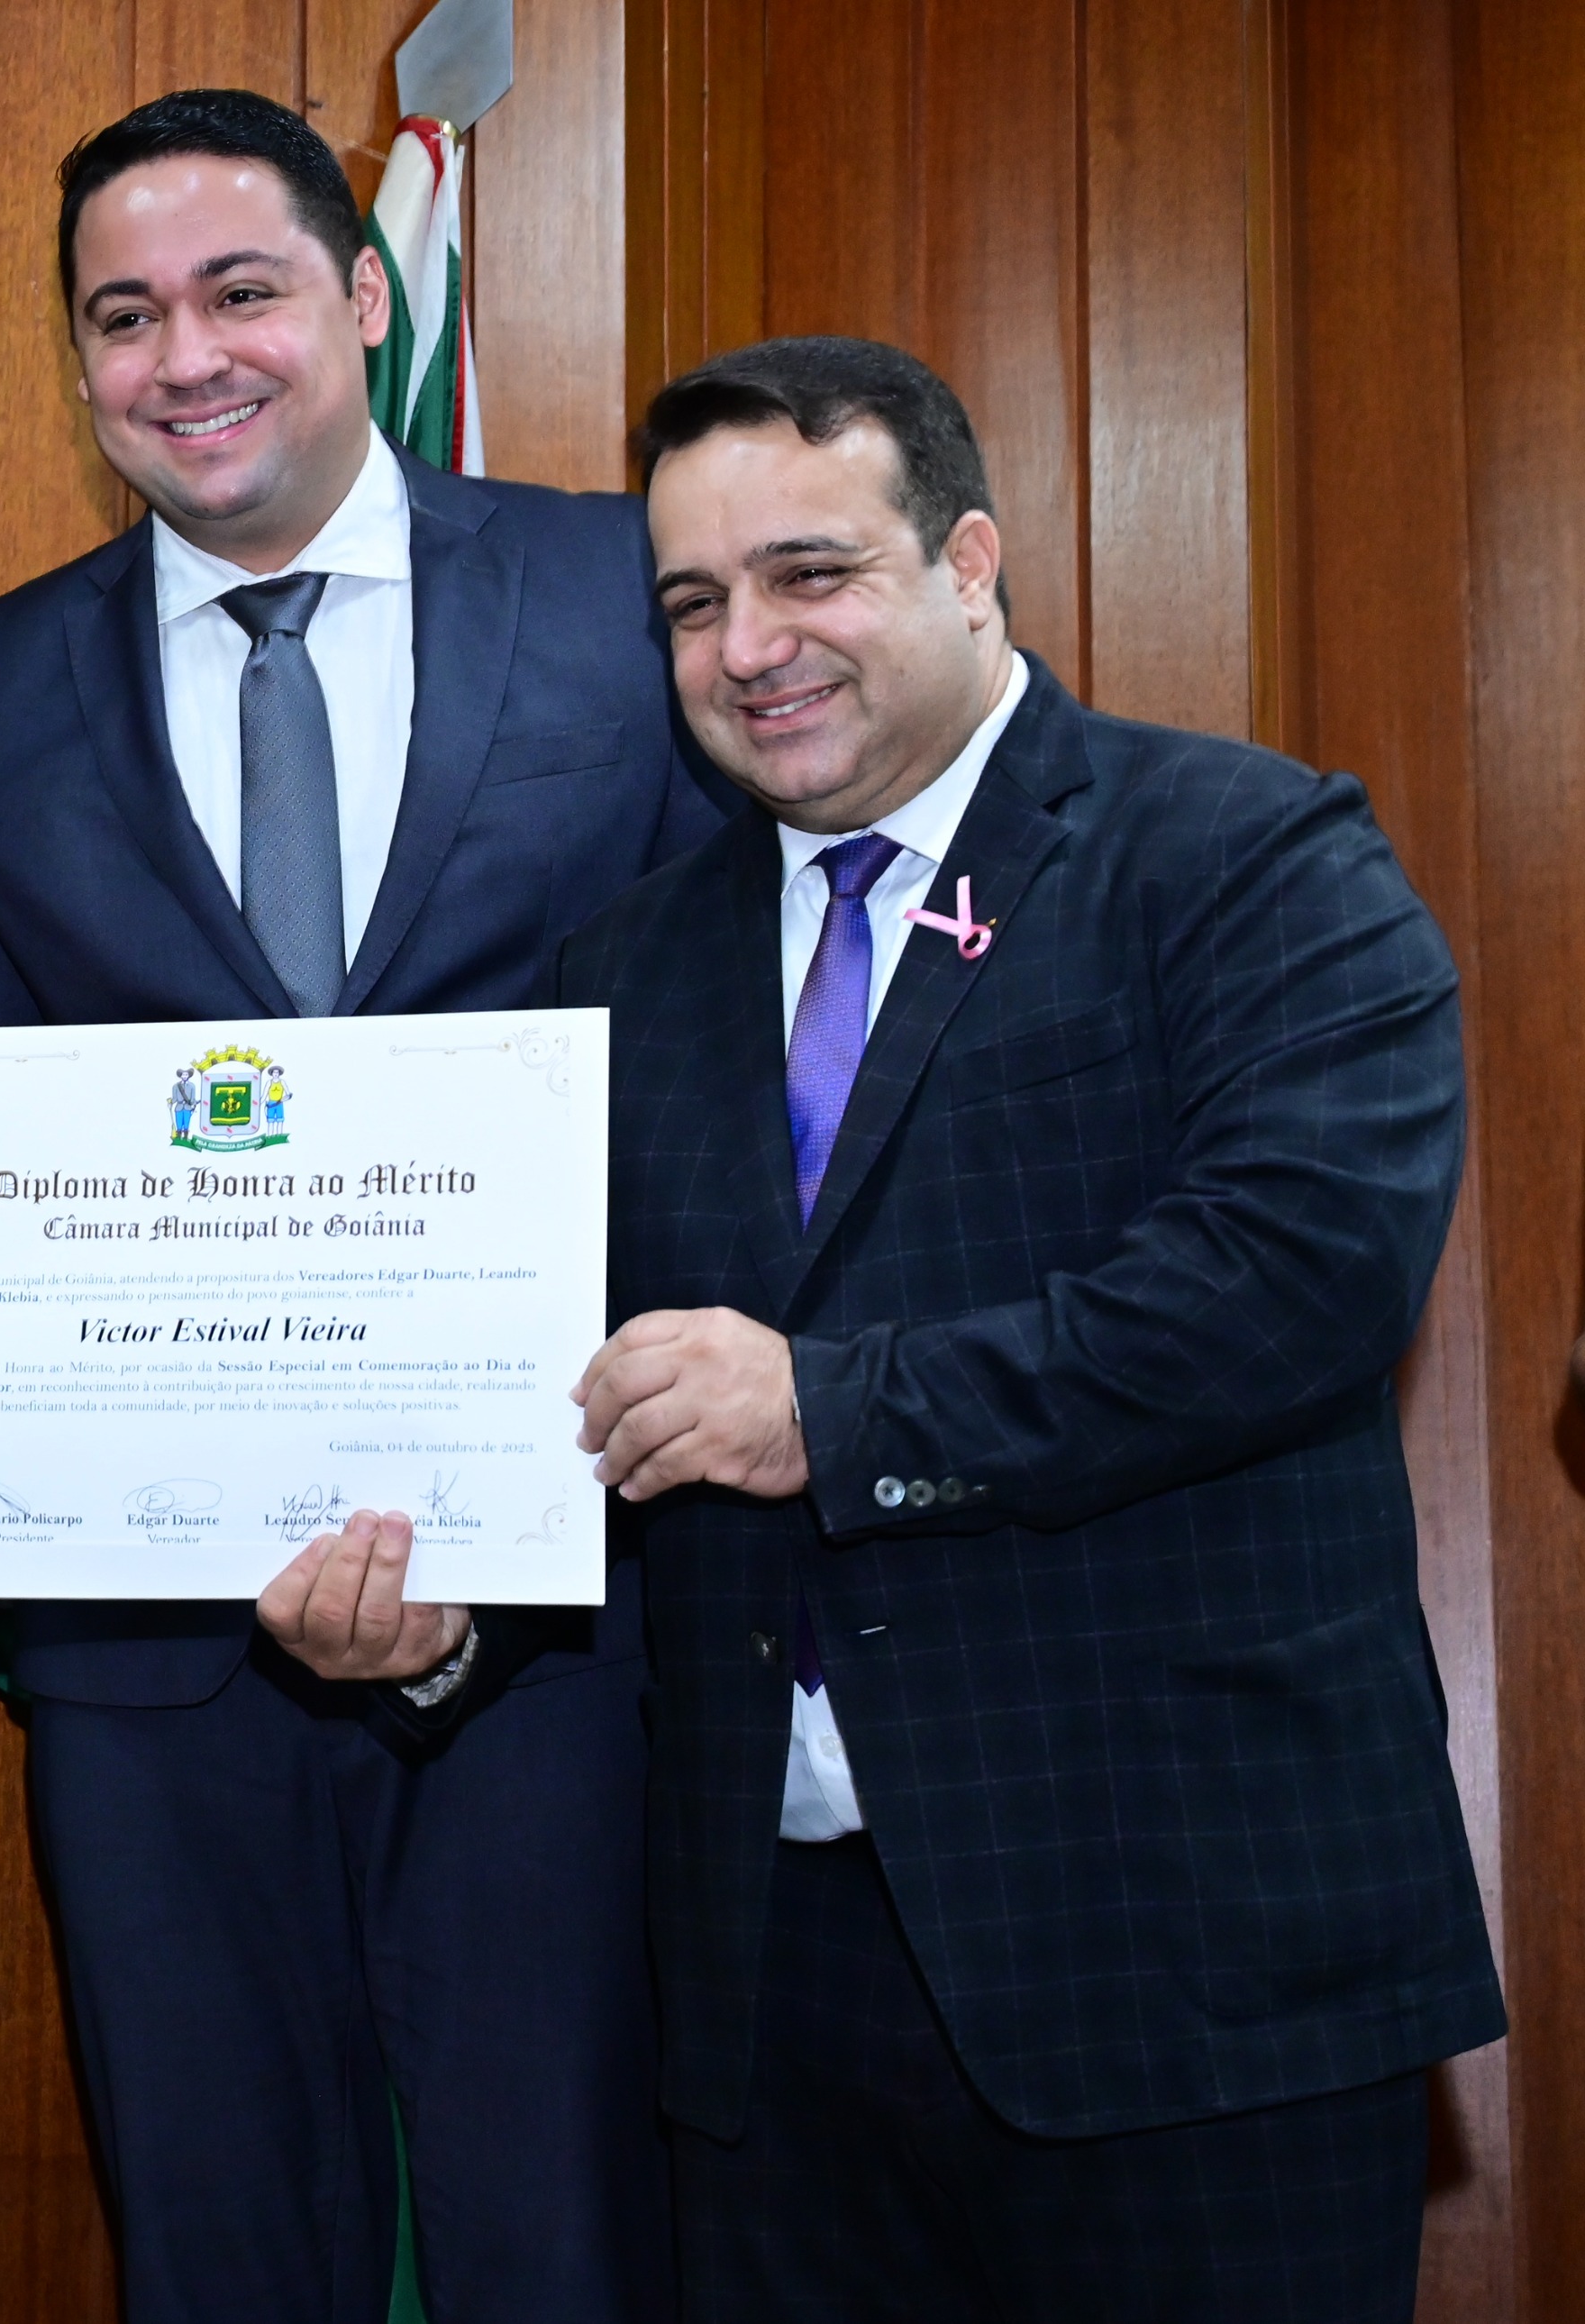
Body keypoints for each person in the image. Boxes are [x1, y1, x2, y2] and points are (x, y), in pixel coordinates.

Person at [0, 85, 733, 2324]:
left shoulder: (621, 604)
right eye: (120, 316)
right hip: (150, 1666)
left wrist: (510, 1531)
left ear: (361, 298)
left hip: (567, 1625)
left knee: (571, 2251)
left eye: (239, 291)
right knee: (221, 2254)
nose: (184, 357)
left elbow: (727, 1084)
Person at [557, 334, 1503, 2320]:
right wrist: (421, 1614)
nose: (748, 647)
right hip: (770, 2001)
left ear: (969, 561)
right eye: (694, 603)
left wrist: (834, 1411)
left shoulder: (1245, 857)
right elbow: (570, 1404)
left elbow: (1298, 1278)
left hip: (1184, 1966)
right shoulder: (623, 971)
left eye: (810, 573)